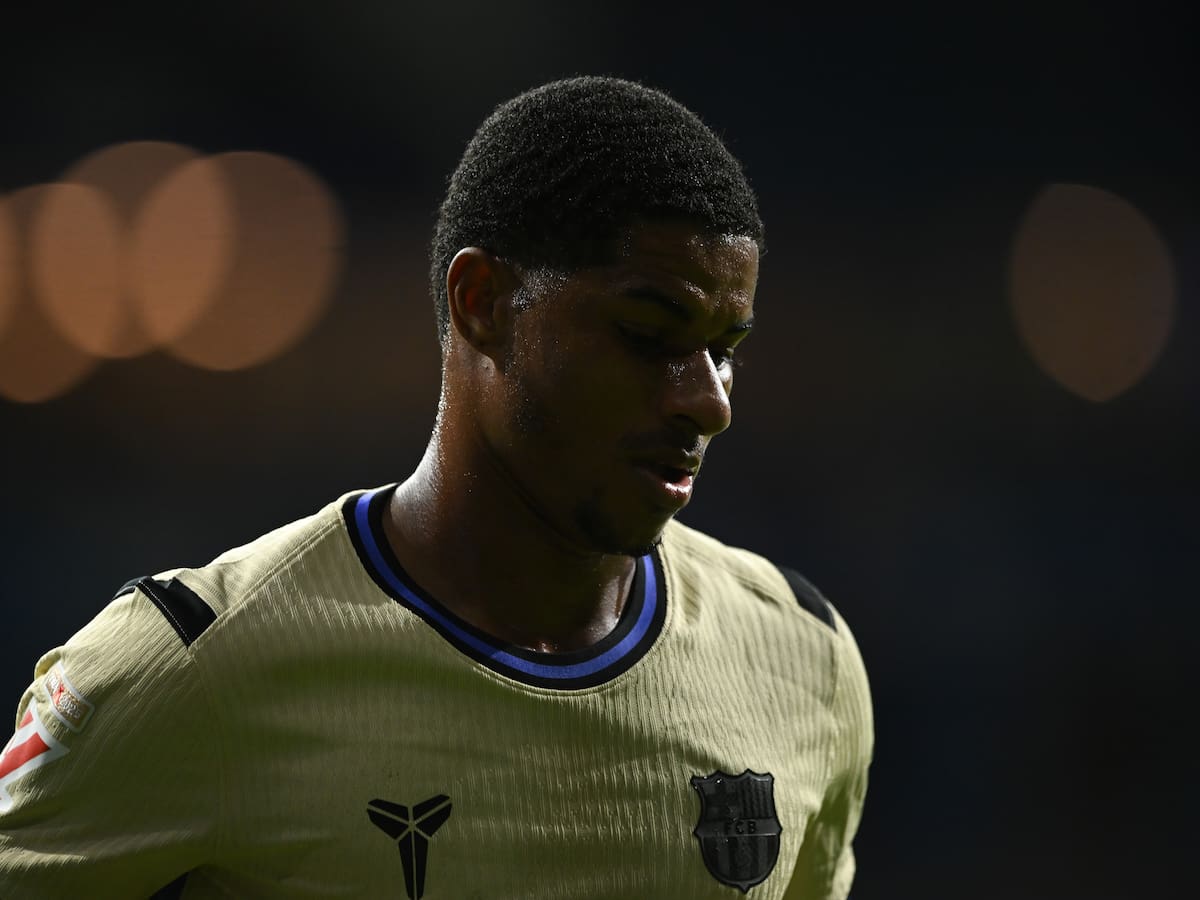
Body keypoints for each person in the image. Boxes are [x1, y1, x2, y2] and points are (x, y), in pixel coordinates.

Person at [0, 76, 872, 899]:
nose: (709, 402)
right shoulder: (192, 669)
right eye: (649, 335)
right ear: (482, 301)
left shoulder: (803, 659)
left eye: (725, 350)